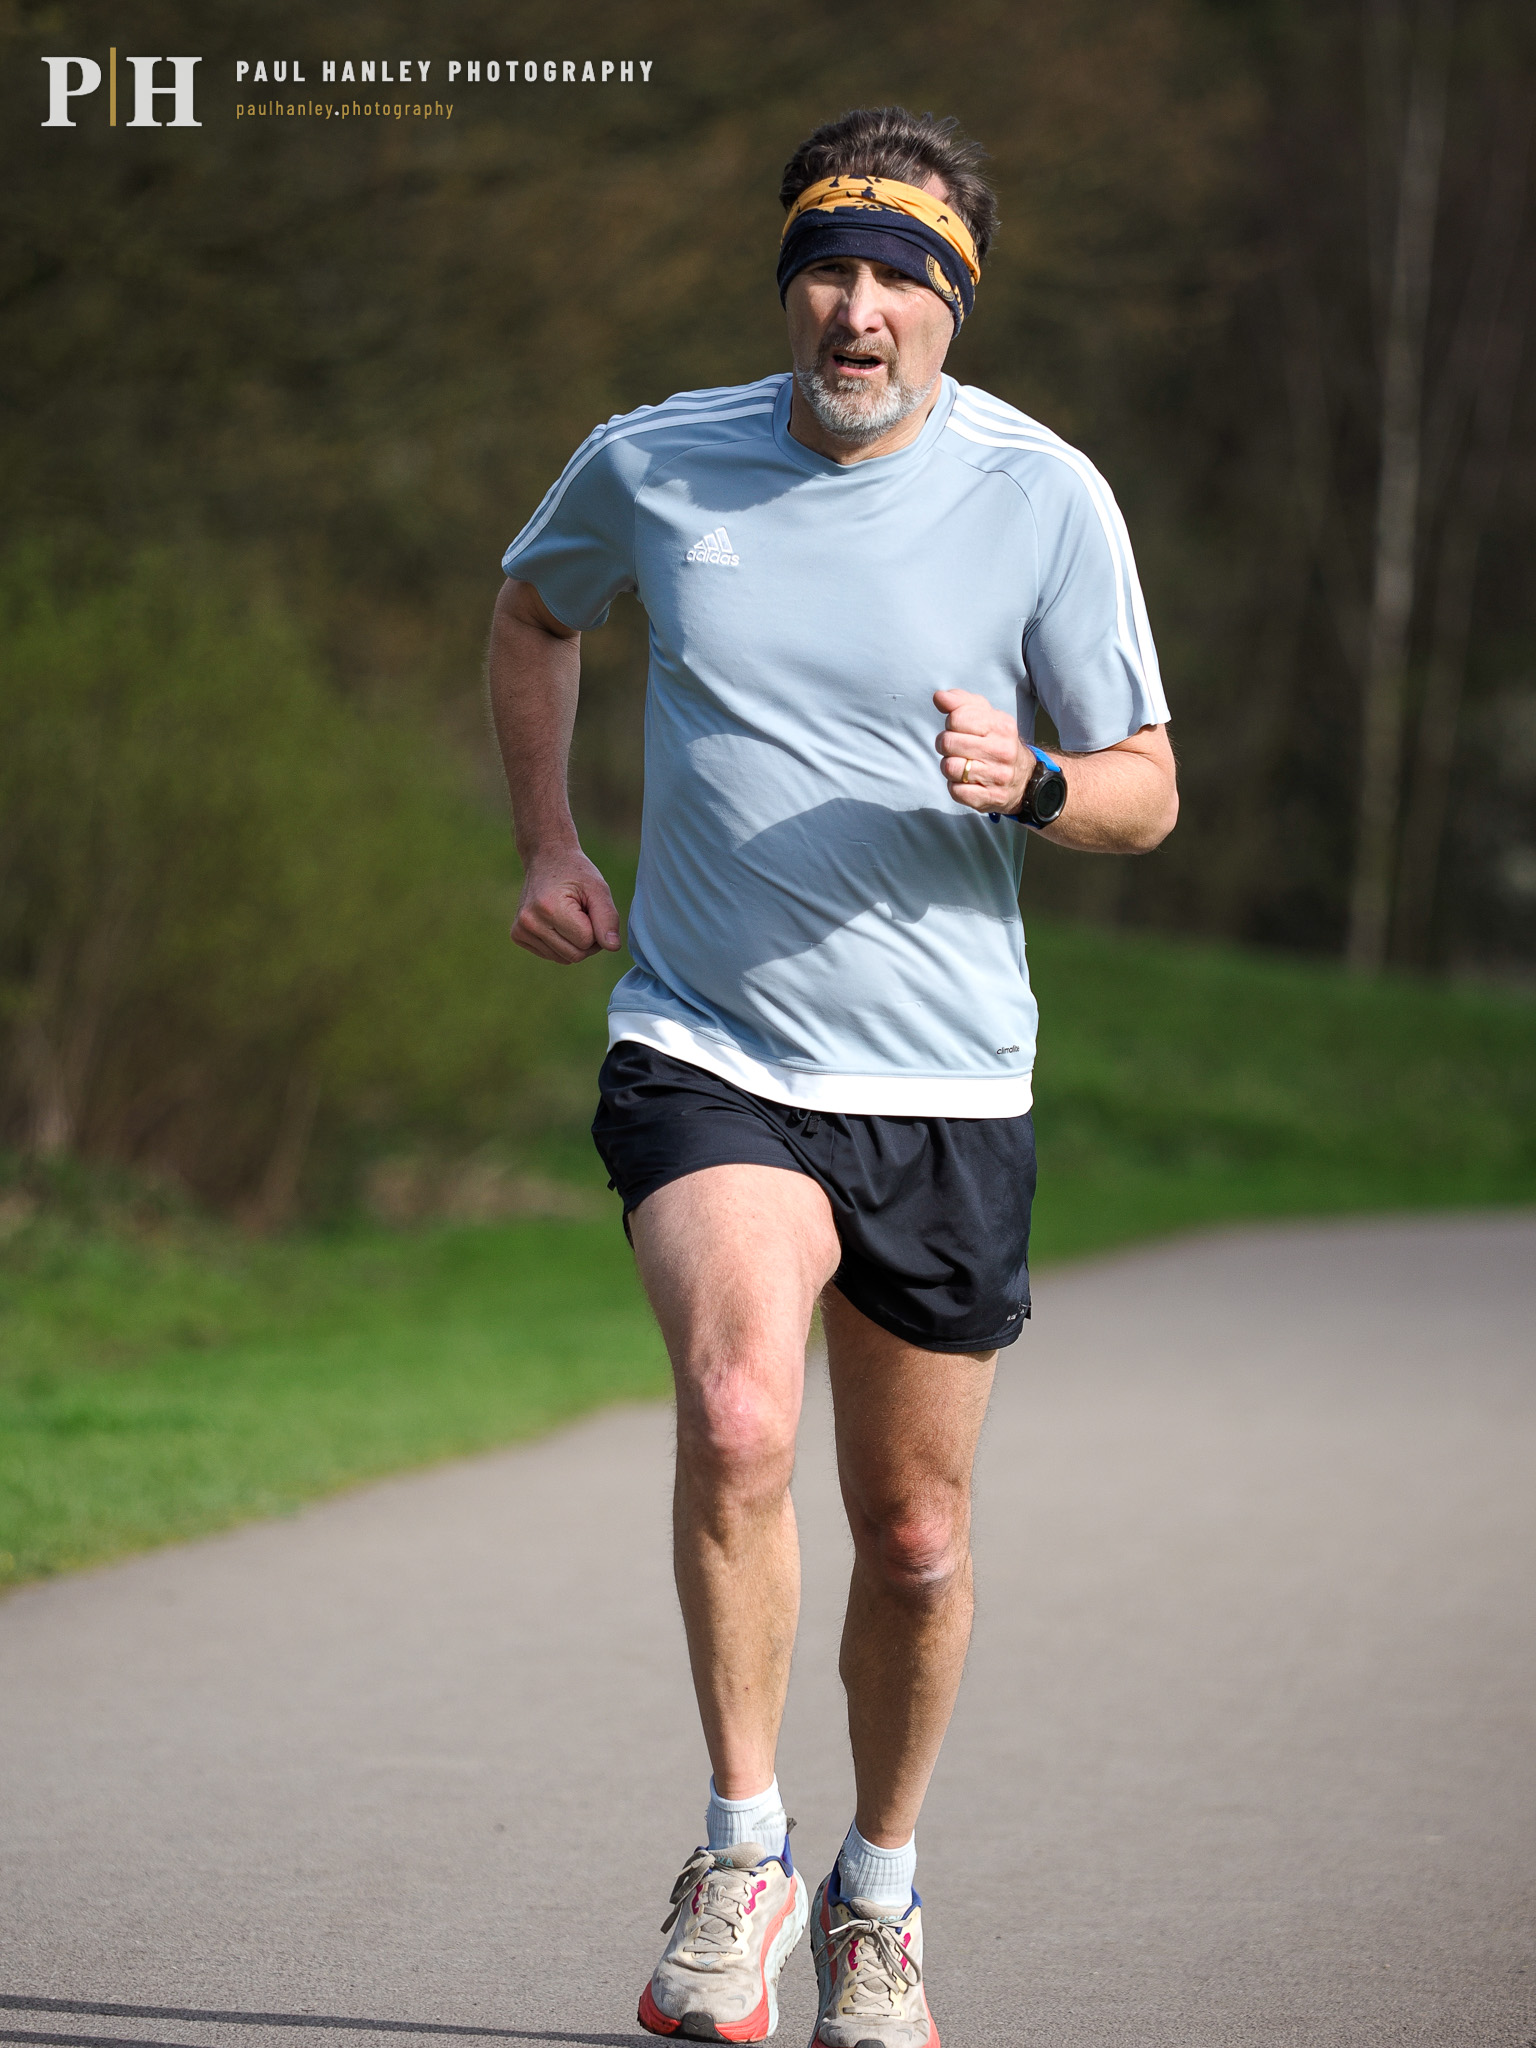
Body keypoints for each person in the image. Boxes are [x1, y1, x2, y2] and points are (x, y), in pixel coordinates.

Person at [489, 104, 1176, 2048]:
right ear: (787, 283)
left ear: (956, 303)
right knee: (735, 1414)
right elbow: (535, 608)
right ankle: (741, 1854)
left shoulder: (1045, 497)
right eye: (829, 268)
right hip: (705, 1044)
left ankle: (878, 1890)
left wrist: (1034, 780)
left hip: (946, 1085)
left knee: (917, 1536)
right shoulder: (656, 460)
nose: (857, 310)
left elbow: (1147, 791)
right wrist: (546, 842)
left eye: (899, 278)